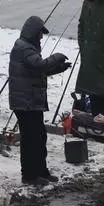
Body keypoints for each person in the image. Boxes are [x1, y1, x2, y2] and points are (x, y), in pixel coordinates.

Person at [8, 16, 71, 185]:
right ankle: (29, 175)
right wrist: (56, 57)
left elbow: (37, 71)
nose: (41, 37)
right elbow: (39, 65)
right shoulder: (23, 48)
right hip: (25, 103)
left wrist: (58, 68)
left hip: (32, 101)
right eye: (40, 34)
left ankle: (41, 171)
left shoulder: (28, 47)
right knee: (30, 139)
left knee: (39, 136)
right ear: (33, 32)